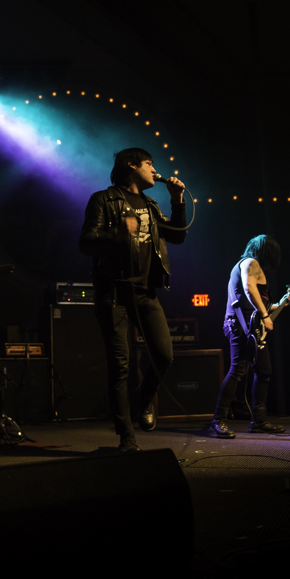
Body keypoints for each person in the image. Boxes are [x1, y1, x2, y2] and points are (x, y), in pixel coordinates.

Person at [78, 148, 188, 453]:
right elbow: (86, 242)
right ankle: (127, 437)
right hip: (113, 293)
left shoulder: (151, 205)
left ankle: (143, 400)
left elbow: (177, 236)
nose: (155, 171)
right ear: (132, 165)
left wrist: (176, 200)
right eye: (150, 164)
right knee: (119, 366)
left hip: (146, 293)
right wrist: (117, 231)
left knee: (164, 355)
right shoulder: (103, 199)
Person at [209, 235, 290, 438]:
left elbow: (252, 301)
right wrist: (265, 315)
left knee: (263, 371)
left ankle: (259, 421)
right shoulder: (250, 263)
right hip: (241, 326)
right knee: (238, 370)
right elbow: (248, 289)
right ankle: (218, 420)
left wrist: (278, 305)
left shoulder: (248, 265)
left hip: (249, 325)